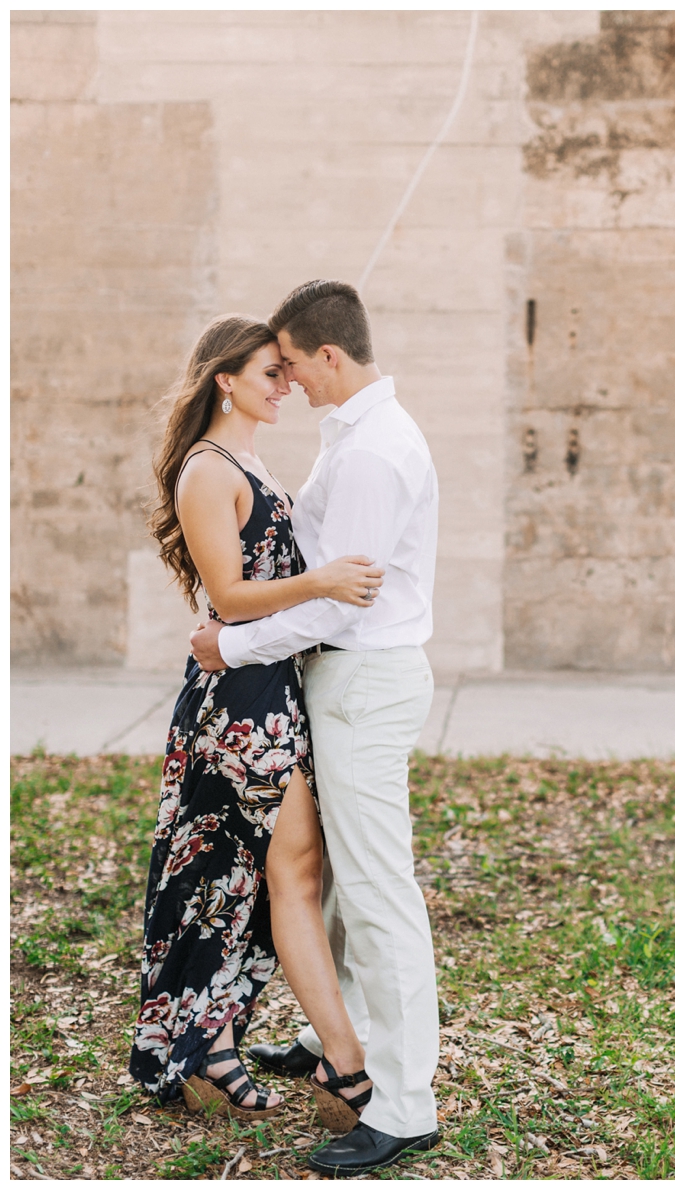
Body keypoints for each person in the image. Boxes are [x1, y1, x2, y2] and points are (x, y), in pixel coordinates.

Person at [189, 280, 441, 1177]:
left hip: (362, 683)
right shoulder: (355, 436)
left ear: (327, 355)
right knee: (335, 883)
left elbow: (340, 605)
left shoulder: (374, 454)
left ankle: (406, 1107)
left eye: (290, 361)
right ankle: (330, 1035)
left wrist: (232, 642)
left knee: (378, 892)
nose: (285, 378)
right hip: (338, 685)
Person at [129, 313, 384, 1125]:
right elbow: (231, 600)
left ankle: (212, 1044)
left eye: (286, 370)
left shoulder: (247, 459)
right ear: (224, 380)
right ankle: (343, 1067)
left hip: (269, 689)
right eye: (270, 372)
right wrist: (325, 582)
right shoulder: (208, 470)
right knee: (290, 875)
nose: (286, 384)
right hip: (240, 703)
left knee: (242, 878)